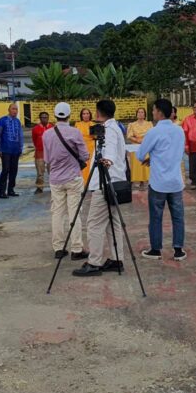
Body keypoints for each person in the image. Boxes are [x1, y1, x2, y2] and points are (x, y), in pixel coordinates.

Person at [72, 100, 128, 276]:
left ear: (98, 113)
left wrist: (107, 160)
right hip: (115, 181)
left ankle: (94, 262)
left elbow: (109, 152)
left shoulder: (109, 130)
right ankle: (117, 259)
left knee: (94, 224)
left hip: (105, 183)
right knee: (114, 222)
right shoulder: (115, 127)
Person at [137, 98, 187, 260]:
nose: (152, 112)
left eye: (153, 110)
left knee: (156, 217)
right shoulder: (179, 131)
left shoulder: (154, 132)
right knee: (178, 217)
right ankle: (178, 250)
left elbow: (140, 154)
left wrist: (152, 157)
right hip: (175, 181)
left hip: (158, 182)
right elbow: (176, 153)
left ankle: (156, 249)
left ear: (159, 112)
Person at [42, 102, 89, 260]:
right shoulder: (75, 132)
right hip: (73, 177)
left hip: (55, 179)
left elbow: (47, 159)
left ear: (55, 115)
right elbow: (84, 156)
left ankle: (59, 248)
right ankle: (76, 248)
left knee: (57, 213)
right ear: (69, 115)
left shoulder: (47, 134)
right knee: (74, 213)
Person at [0, 103, 23, 198]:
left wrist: (21, 147)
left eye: (16, 109)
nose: (15, 111)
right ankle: (2, 192)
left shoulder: (18, 122)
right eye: (13, 109)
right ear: (9, 109)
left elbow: (20, 135)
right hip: (5, 149)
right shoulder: (2, 120)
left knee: (14, 170)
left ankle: (11, 190)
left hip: (16, 150)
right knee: (5, 170)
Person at [127, 108, 152, 190]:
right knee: (137, 164)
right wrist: (137, 140)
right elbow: (129, 136)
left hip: (146, 145)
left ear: (145, 114)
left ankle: (146, 180)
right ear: (136, 114)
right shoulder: (132, 124)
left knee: (146, 163)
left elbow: (152, 134)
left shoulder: (149, 124)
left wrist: (144, 141)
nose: (141, 114)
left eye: (142, 112)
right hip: (135, 146)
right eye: (139, 112)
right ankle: (137, 181)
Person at [31, 111, 53, 194]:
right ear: (40, 118)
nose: (44, 119)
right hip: (40, 152)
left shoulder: (52, 127)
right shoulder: (35, 129)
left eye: (46, 117)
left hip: (51, 153)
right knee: (40, 172)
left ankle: (54, 187)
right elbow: (34, 140)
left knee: (52, 171)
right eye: (43, 117)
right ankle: (39, 188)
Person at [76, 108, 95, 188]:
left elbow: (96, 136)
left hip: (91, 146)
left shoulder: (93, 124)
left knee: (91, 165)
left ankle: (92, 183)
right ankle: (83, 183)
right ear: (81, 115)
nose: (86, 115)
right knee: (83, 165)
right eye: (84, 114)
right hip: (81, 146)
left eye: (87, 113)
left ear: (90, 115)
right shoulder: (78, 124)